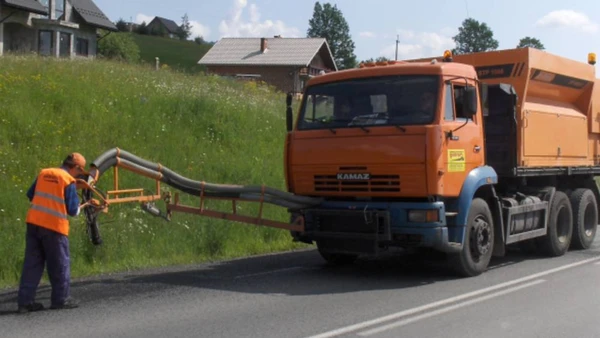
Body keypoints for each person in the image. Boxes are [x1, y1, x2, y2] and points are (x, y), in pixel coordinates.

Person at [17, 152, 89, 313]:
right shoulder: (68, 180)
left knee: (32, 264)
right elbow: (73, 211)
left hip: (34, 224)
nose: (79, 176)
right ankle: (61, 299)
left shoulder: (44, 173)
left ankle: (25, 302)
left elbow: (31, 195)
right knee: (59, 264)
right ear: (76, 167)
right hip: (55, 228)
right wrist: (85, 204)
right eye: (80, 172)